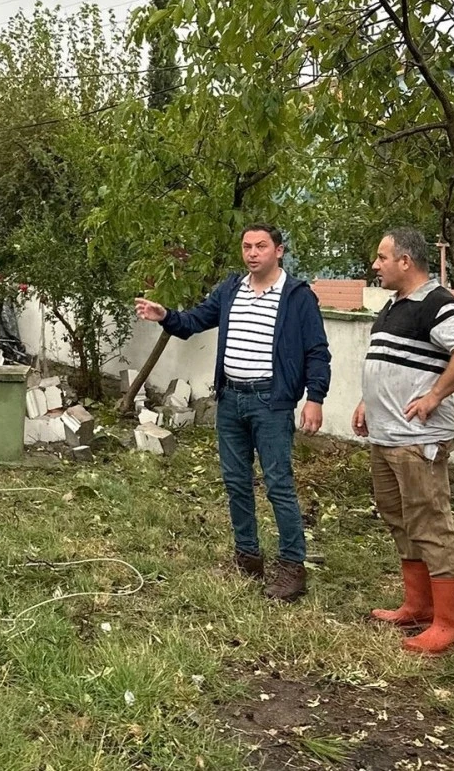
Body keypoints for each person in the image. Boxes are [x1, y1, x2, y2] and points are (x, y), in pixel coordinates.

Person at [135, 223, 331, 601]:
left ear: (279, 251)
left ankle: (292, 566)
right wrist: (165, 315)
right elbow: (193, 322)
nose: (252, 253)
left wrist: (315, 398)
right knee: (236, 482)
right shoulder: (231, 289)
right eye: (246, 246)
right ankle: (247, 557)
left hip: (270, 403)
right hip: (230, 401)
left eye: (261, 246)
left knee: (278, 484)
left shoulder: (297, 297)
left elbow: (317, 352)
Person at [352, 228, 454, 655]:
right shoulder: (393, 306)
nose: (376, 265)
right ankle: (418, 605)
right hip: (385, 435)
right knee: (401, 520)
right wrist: (365, 401)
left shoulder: (437, 303)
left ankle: (450, 621)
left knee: (431, 525)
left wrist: (435, 395)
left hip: (418, 440)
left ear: (405, 261)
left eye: (381, 256)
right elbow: (391, 362)